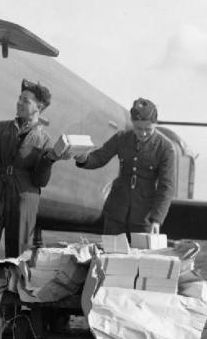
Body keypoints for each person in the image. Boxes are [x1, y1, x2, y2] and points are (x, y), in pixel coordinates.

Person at [0, 79, 66, 336]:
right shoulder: (0, 128)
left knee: (19, 261)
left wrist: (49, 160)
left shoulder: (44, 140)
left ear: (39, 107)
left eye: (26, 100)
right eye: (20, 98)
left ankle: (13, 325)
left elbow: (41, 180)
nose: (19, 102)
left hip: (25, 197)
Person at [74, 98, 176, 236]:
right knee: (112, 256)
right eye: (138, 128)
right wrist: (84, 158)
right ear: (132, 123)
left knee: (141, 258)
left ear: (155, 124)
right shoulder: (122, 138)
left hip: (144, 219)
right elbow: (99, 157)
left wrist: (157, 219)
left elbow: (166, 187)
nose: (143, 133)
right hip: (116, 215)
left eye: (148, 129)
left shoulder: (166, 148)